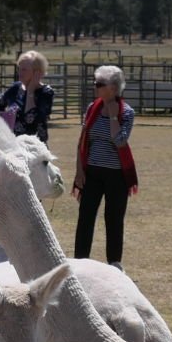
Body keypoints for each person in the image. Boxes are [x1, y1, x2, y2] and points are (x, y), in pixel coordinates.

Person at [72, 65, 136, 269]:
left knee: (114, 219)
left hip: (117, 175)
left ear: (114, 88)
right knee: (85, 217)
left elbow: (120, 141)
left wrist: (113, 117)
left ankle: (114, 264)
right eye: (95, 82)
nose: (95, 86)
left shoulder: (127, 112)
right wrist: (79, 171)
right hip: (92, 172)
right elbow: (83, 140)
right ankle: (80, 261)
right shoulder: (92, 108)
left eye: (100, 84)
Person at [0, 50, 55, 144]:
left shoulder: (46, 93)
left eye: (24, 69)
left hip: (36, 147)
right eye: (19, 68)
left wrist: (30, 90)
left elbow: (30, 119)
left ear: (37, 72)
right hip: (15, 145)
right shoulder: (15, 88)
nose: (20, 72)